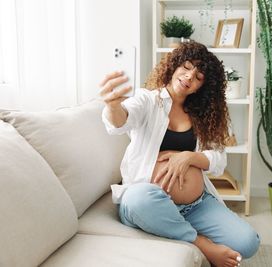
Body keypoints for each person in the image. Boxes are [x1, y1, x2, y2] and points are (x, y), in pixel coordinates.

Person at [100, 41, 259, 267]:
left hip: (195, 205)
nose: (189, 76)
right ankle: (200, 242)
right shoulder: (148, 100)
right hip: (150, 202)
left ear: (202, 87)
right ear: (174, 66)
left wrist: (189, 157)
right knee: (138, 200)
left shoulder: (202, 115)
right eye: (186, 66)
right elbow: (120, 122)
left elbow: (219, 160)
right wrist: (113, 106)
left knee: (247, 242)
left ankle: (173, 226)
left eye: (198, 76)